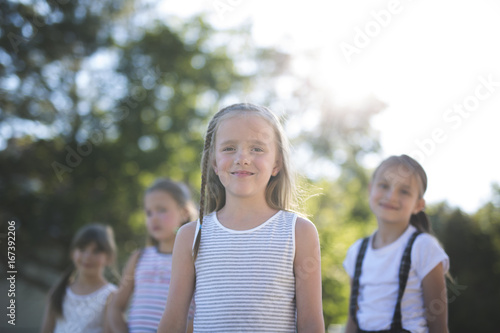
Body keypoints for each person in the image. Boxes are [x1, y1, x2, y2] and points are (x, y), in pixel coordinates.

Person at [158, 103, 324, 332]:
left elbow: (311, 323)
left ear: (277, 163)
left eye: (257, 148)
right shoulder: (190, 235)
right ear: (214, 162)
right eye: (228, 148)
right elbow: (173, 322)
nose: (242, 158)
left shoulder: (299, 232)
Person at [344, 155, 450, 333]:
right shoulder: (356, 252)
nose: (391, 196)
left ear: (418, 205)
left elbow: (438, 326)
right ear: (370, 189)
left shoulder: (423, 247)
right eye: (384, 185)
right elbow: (353, 319)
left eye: (404, 191)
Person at [108, 179, 197, 333]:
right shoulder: (139, 257)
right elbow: (115, 306)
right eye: (149, 212)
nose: (153, 218)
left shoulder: (196, 259)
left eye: (162, 210)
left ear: (184, 213)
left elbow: (201, 316)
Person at [40, 224, 119, 333]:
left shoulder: (111, 296)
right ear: (72, 253)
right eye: (82, 249)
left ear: (109, 257)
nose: (87, 256)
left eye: (96, 251)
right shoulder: (58, 292)